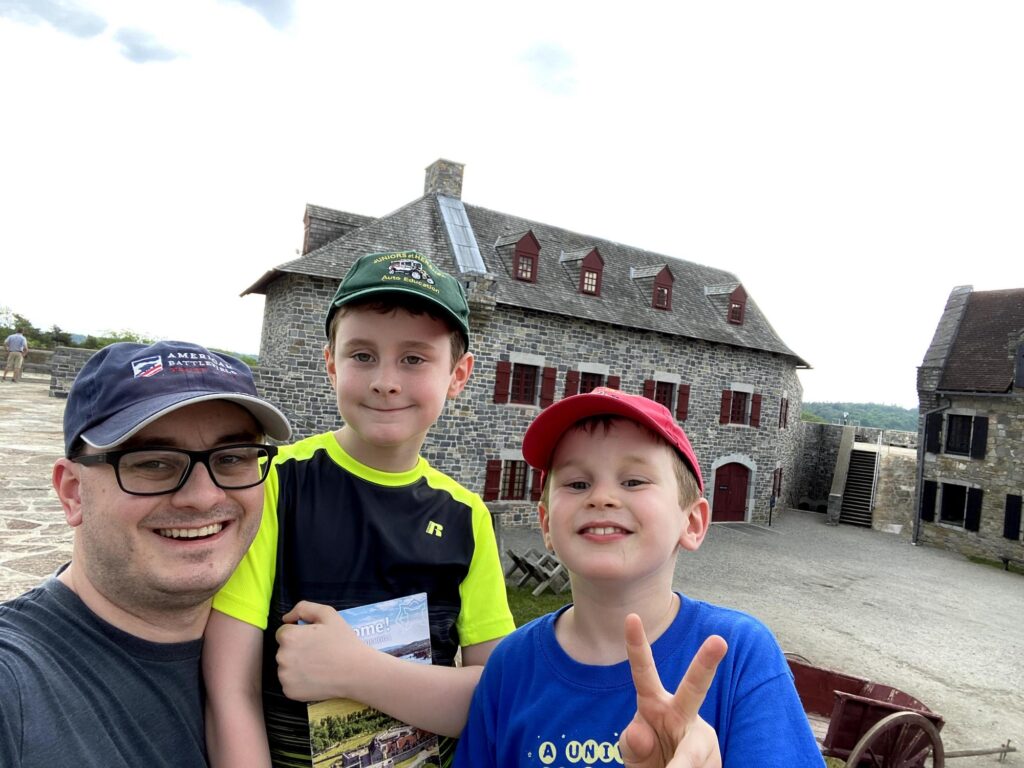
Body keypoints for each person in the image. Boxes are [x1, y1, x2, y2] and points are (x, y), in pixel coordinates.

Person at [205, 250, 516, 767]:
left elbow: (494, 697)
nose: (385, 380)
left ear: (458, 375)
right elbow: (228, 691)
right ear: (331, 364)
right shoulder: (276, 482)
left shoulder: (466, 515)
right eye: (362, 355)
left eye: (414, 359)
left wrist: (358, 671)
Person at [454, 387, 825, 768]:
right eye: (577, 483)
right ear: (547, 524)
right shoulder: (510, 666)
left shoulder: (737, 655)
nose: (601, 497)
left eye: (633, 481)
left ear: (692, 522)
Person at [0, 340, 292, 767]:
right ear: (73, 492)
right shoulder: (15, 686)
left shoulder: (295, 655)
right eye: (153, 463)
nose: (203, 496)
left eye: (232, 458)